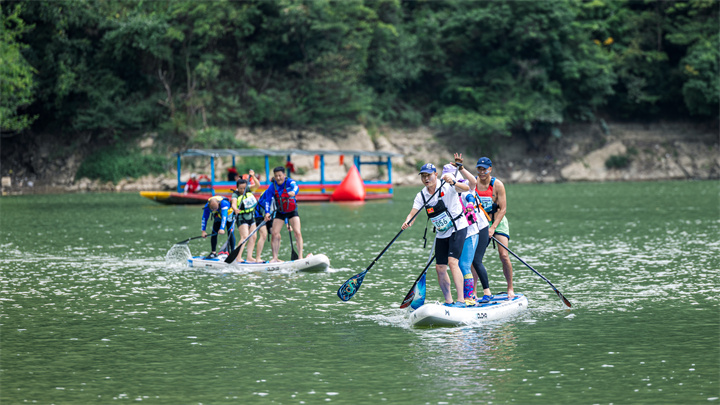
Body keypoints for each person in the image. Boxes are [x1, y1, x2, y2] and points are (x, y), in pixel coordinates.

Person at [401, 160, 471, 307]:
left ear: (436, 175)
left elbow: (467, 188)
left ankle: (461, 301)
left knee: (453, 262)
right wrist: (407, 222)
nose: (426, 179)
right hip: (442, 232)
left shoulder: (446, 184)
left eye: (429, 175)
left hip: (458, 227)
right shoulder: (421, 195)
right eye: (423, 176)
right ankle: (449, 301)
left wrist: (453, 183)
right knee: (439, 268)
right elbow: (412, 214)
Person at [475, 157, 514, 297]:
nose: (482, 172)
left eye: (484, 169)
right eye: (479, 169)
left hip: (498, 220)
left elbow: (503, 209)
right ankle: (472, 292)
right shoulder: (473, 183)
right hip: (481, 223)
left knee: (504, 255)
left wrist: (493, 228)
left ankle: (510, 288)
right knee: (476, 258)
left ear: (490, 169)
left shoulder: (498, 185)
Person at [263, 166, 303, 262]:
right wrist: (267, 212)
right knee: (274, 234)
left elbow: (296, 187)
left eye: (280, 175)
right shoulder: (272, 186)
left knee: (297, 232)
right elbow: (267, 200)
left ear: (284, 175)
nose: (278, 178)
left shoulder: (290, 182)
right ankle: (275, 258)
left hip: (292, 211)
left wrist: (294, 192)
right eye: (276, 176)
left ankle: (300, 257)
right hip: (280, 212)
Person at [231, 179, 258, 262]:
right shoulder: (235, 195)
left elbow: (257, 185)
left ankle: (249, 257)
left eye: (244, 188)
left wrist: (253, 176)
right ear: (237, 188)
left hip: (251, 216)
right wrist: (235, 209)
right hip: (241, 217)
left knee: (253, 237)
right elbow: (233, 204)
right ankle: (238, 257)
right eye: (240, 188)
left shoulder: (248, 189)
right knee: (245, 237)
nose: (242, 190)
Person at [252, 185, 275, 263]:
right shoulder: (267, 192)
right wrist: (266, 213)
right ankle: (258, 258)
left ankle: (275, 258)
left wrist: (287, 223)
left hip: (271, 215)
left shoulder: (281, 193)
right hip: (259, 215)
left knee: (276, 234)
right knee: (264, 234)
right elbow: (266, 204)